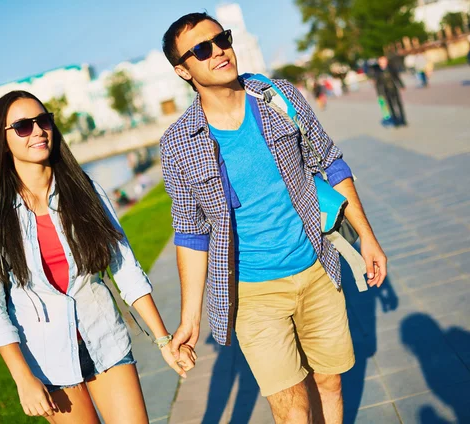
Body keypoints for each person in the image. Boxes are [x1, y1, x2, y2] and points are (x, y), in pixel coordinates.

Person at [160, 12, 387, 423]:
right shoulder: (178, 143)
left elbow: (331, 164)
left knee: (330, 383)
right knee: (291, 410)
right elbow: (191, 233)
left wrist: (367, 238)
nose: (219, 52)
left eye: (222, 39)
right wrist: (189, 320)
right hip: (253, 293)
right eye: (201, 50)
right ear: (183, 70)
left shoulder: (277, 97)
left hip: (317, 268)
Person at [0, 90, 195, 422]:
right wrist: (23, 378)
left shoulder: (84, 189)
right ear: (1, 140)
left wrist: (164, 340)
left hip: (106, 340)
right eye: (22, 126)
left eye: (43, 120)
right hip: (49, 361)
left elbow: (126, 269)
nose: (37, 130)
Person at [373, 56, 407, 127]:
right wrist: (379, 94)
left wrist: (401, 85)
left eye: (384, 61)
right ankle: (396, 121)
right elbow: (378, 84)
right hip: (386, 91)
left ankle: (403, 120)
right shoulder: (378, 71)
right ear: (379, 63)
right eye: (381, 62)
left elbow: (397, 77)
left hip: (394, 89)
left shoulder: (391, 68)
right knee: (391, 106)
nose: (383, 63)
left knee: (399, 104)